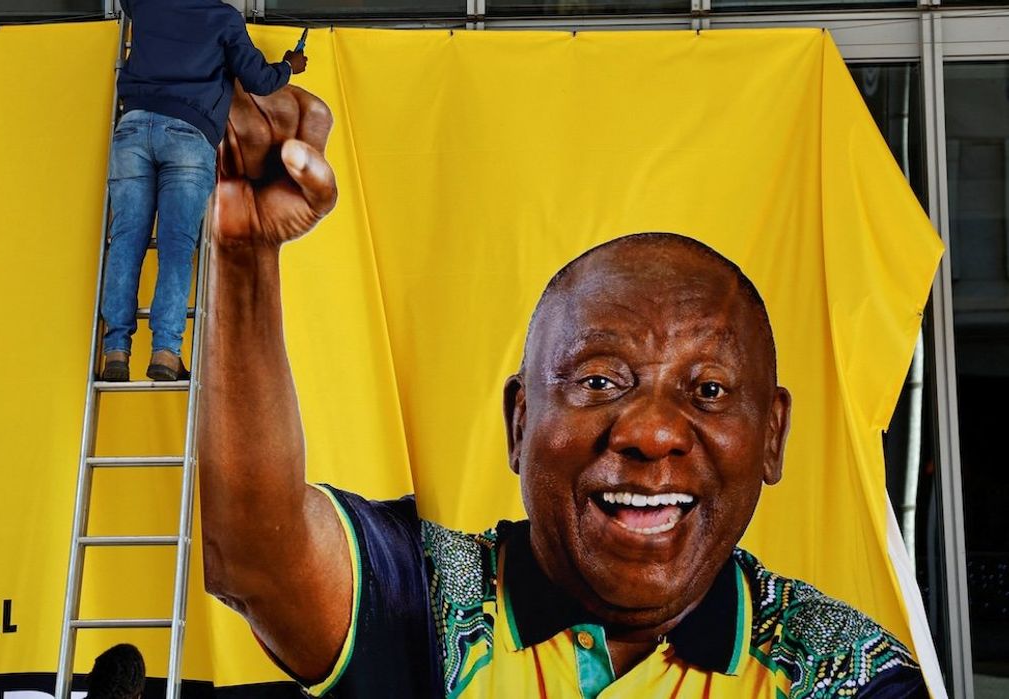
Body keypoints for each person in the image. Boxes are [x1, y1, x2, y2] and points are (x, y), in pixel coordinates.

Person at [198, 86, 927, 697]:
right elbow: (256, 557)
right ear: (519, 420)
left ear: (770, 435)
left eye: (705, 389)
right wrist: (244, 255)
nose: (650, 432)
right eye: (600, 380)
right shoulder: (432, 598)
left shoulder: (840, 672)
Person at [100, 0, 306, 382]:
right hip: (187, 135)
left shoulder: (145, 6)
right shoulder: (223, 18)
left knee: (126, 242)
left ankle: (115, 351)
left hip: (132, 129)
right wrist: (288, 67)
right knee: (176, 246)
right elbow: (259, 81)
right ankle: (165, 352)